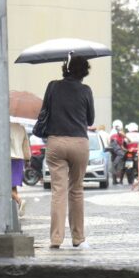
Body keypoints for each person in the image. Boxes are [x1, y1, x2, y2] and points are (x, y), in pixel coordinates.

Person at [40, 54, 94, 249]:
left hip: (56, 142)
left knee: (58, 191)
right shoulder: (86, 90)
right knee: (76, 190)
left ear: (66, 68)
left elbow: (45, 110)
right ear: (84, 71)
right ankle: (78, 238)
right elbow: (90, 120)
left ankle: (56, 239)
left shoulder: (53, 86)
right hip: (79, 143)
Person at [10, 122, 31, 217]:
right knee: (13, 185)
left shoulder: (1, 125)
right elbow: (26, 144)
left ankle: (20, 200)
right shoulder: (21, 127)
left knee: (3, 187)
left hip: (6, 159)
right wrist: (27, 158)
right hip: (19, 158)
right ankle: (15, 209)